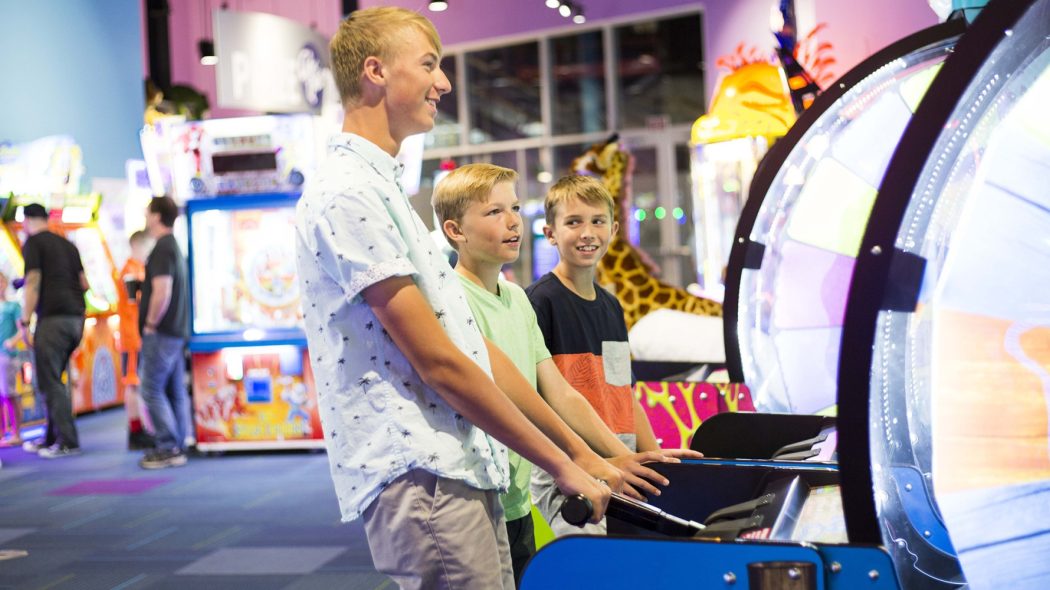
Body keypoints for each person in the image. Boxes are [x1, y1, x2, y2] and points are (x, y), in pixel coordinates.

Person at [295, 7, 615, 589]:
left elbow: (469, 345)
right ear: (376, 72)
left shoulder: (383, 186)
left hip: (460, 465)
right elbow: (439, 362)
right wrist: (563, 463)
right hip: (422, 470)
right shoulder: (346, 193)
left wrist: (581, 452)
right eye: (428, 64)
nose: (443, 82)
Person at [433, 163, 702, 583]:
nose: (511, 222)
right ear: (455, 230)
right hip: (482, 488)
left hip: (522, 487)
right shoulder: (460, 300)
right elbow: (517, 399)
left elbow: (569, 392)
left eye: (515, 208)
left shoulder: (519, 300)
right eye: (493, 212)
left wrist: (630, 455)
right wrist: (584, 460)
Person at [527, 174, 678, 536]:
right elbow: (545, 399)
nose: (587, 233)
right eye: (573, 222)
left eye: (597, 221)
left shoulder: (611, 305)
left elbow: (623, 389)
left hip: (622, 461)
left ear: (613, 228)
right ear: (550, 233)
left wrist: (656, 458)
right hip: (570, 467)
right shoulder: (539, 301)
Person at [19, 203, 87, 458]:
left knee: (49, 383)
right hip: (76, 319)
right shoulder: (68, 244)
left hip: (53, 320)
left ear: (26, 221)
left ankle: (67, 441)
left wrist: (25, 321)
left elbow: (33, 282)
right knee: (56, 379)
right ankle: (51, 438)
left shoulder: (34, 244)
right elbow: (84, 283)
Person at [137, 196, 191, 469]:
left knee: (151, 389)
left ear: (157, 216)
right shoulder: (174, 247)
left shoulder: (161, 249)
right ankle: (178, 444)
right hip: (176, 331)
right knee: (173, 391)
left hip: (162, 332)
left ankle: (168, 445)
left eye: (148, 213)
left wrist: (150, 323)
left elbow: (162, 290)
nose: (145, 218)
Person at [116, 230, 154, 450]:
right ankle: (136, 430)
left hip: (135, 336)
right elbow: (138, 304)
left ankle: (140, 428)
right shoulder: (131, 272)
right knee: (133, 384)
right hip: (133, 338)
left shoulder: (136, 269)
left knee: (136, 384)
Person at [0, 272, 26, 446]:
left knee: (9, 394)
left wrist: (12, 342)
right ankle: (2, 434)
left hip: (7, 355)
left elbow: (22, 330)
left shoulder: (13, 306)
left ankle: (16, 433)